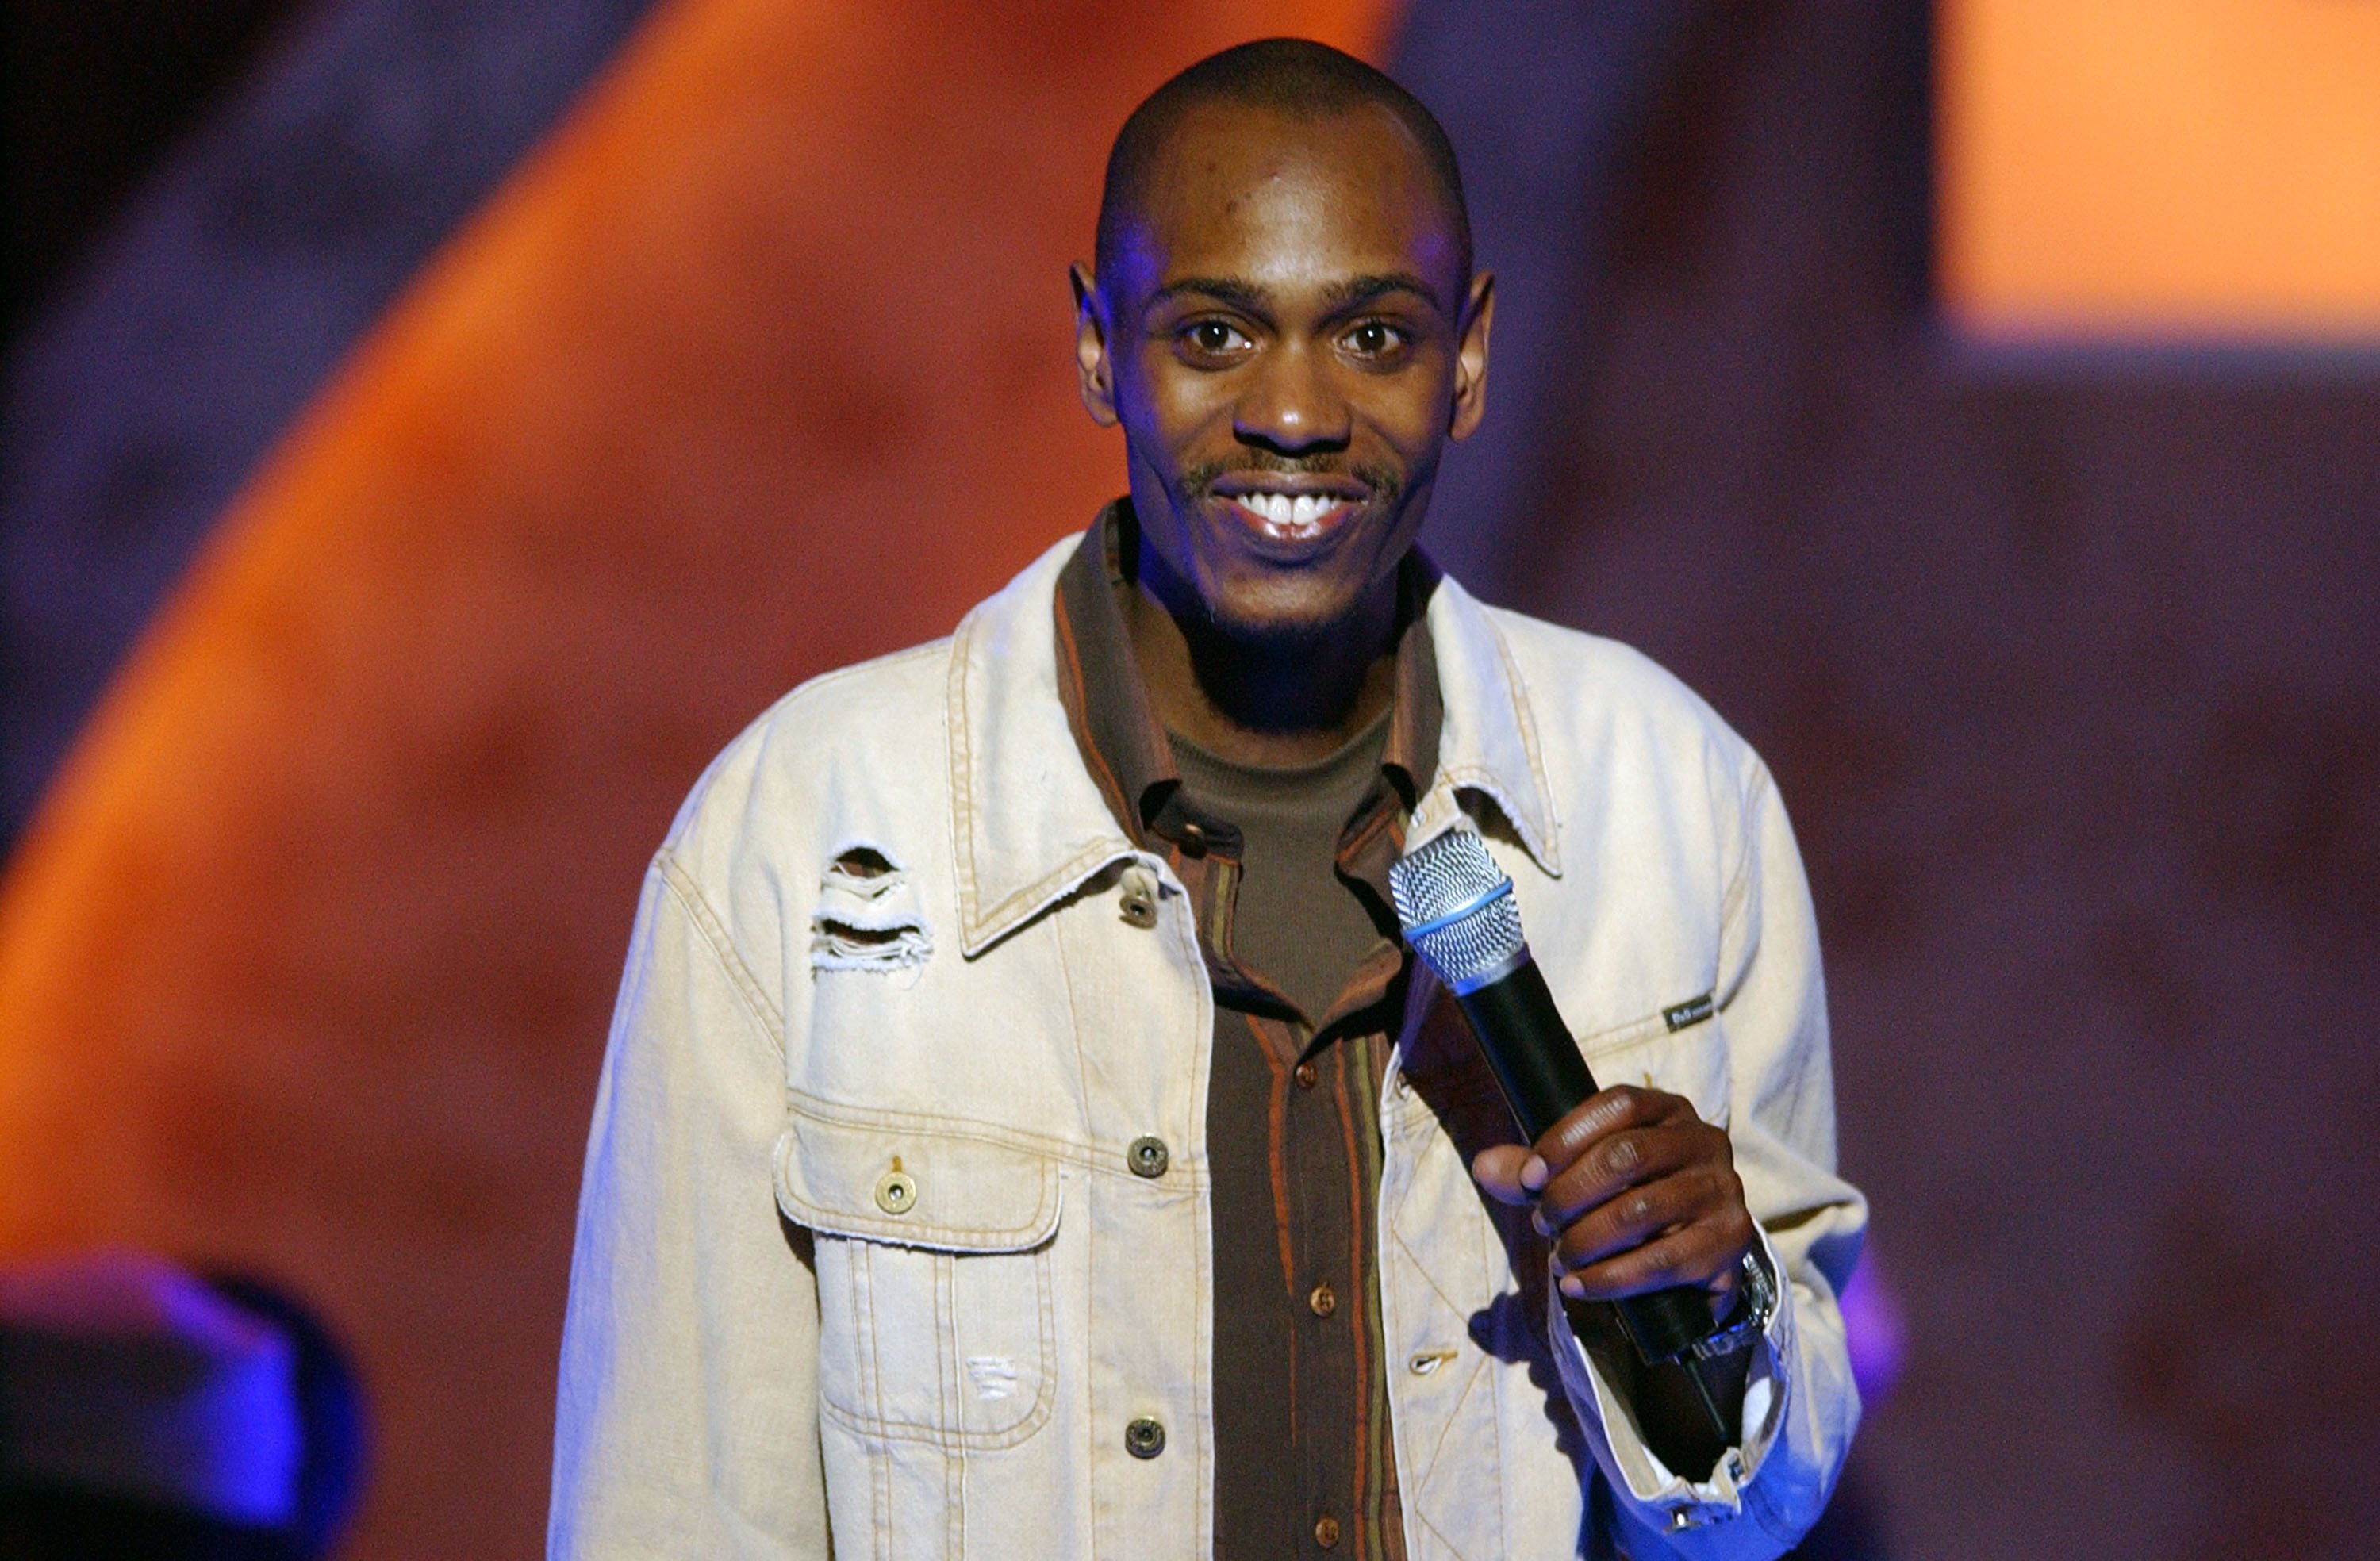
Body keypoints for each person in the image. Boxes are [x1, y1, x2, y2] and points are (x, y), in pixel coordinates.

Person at [550, 37, 1864, 1561]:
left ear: (1472, 357)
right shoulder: (809, 828)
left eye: (1374, 336)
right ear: (1100, 346)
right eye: (1216, 335)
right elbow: (673, 1517)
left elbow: (1751, 1520)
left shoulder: (1670, 797)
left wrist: (1709, 1317)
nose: (1295, 413)